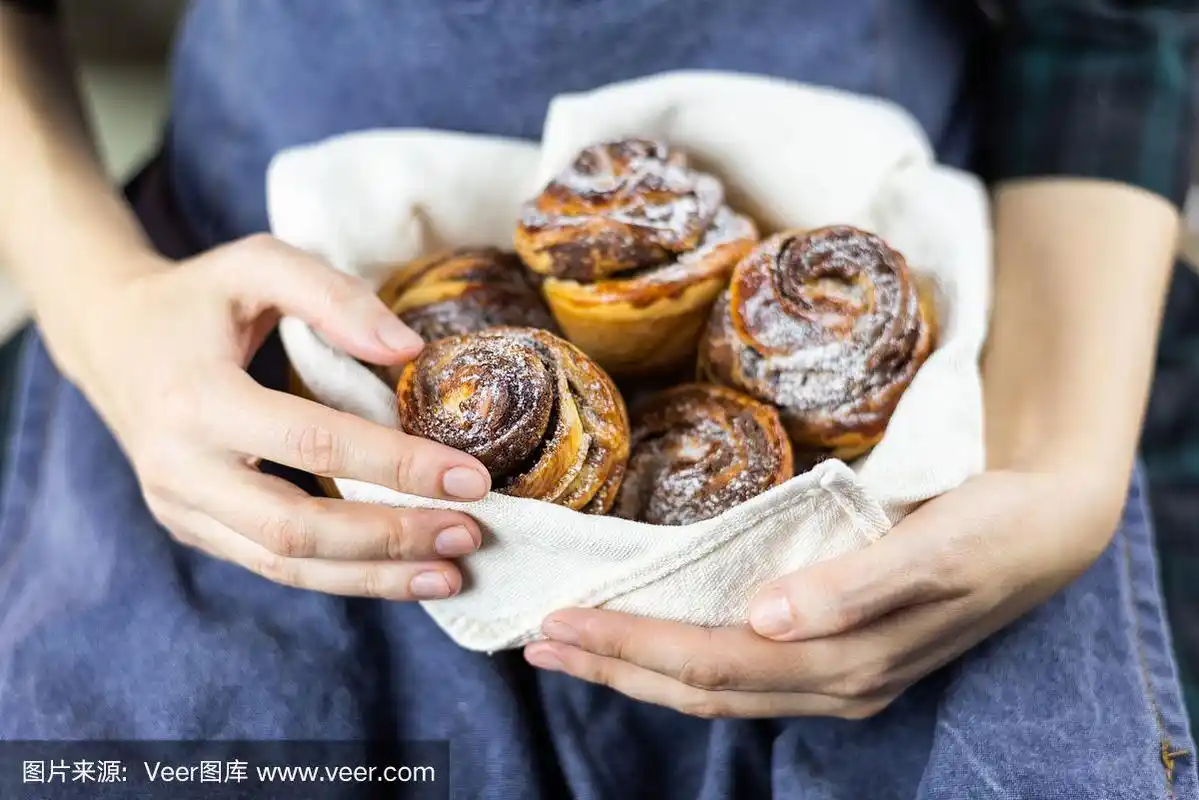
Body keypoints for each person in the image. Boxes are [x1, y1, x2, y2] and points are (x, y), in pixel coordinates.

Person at [0, 1, 1195, 796]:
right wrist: (103, 303)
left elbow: (1109, 24)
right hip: (223, 329)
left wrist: (1061, 467)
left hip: (1017, 321)